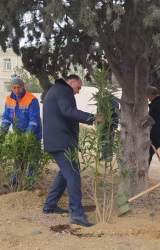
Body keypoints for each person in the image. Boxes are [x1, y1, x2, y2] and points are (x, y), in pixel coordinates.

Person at [42, 75, 96, 227]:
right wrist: (93, 118)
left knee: (65, 174)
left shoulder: (56, 90)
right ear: (71, 82)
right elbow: (69, 111)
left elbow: (66, 112)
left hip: (58, 140)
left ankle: (50, 205)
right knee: (73, 174)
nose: (78, 92)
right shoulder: (63, 90)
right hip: (62, 141)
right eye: (78, 87)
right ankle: (77, 214)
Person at [1, 77, 42, 181]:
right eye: (14, 88)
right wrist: (2, 133)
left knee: (33, 158)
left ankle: (30, 182)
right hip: (18, 133)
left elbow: (34, 120)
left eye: (19, 87)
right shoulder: (8, 99)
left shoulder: (32, 99)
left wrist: (27, 137)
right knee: (19, 157)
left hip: (33, 134)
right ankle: (16, 181)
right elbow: (6, 117)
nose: (16, 90)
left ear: (23, 87)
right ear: (11, 88)